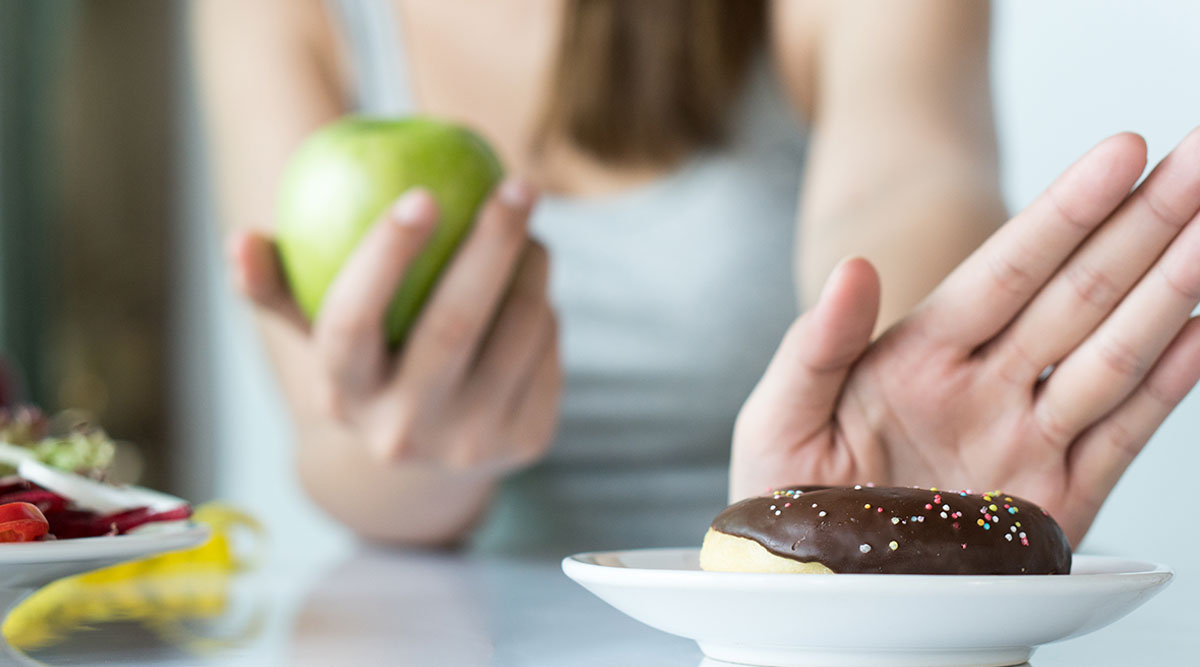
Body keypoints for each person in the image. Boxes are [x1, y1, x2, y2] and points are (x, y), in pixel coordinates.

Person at [191, 0, 1200, 552]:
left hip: (811, 616)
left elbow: (905, 178)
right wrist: (427, 456)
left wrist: (905, 378)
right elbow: (331, 451)